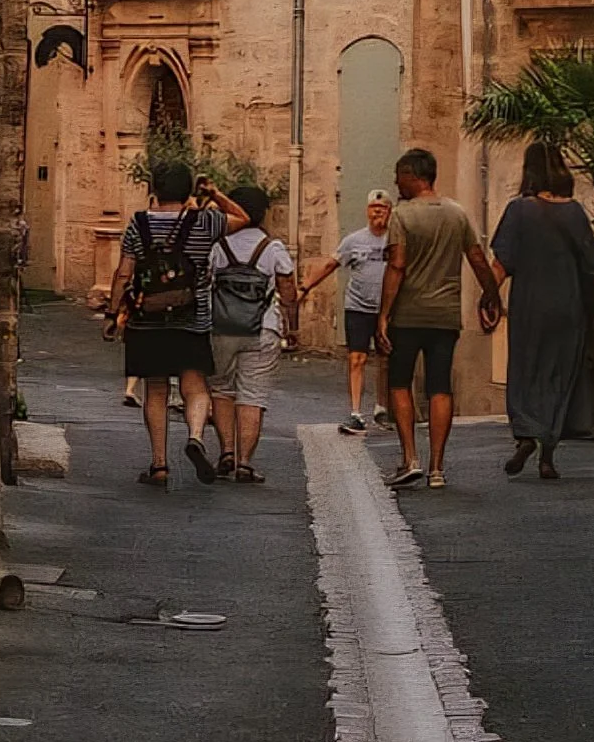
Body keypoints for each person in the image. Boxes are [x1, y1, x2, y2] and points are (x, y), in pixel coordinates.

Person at [102, 163, 248, 487]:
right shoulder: (205, 221)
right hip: (191, 319)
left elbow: (124, 273)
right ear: (188, 190)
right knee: (195, 386)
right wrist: (215, 193)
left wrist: (113, 314)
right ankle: (195, 436)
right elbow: (243, 218)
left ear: (154, 188)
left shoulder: (139, 223)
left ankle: (159, 465)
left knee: (155, 389)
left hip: (147, 320)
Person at [375, 146, 501, 491]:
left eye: (399, 176)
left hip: (408, 314)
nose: (396, 183)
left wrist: (383, 314)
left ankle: (410, 458)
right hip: (445, 315)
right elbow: (477, 258)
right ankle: (437, 468)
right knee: (440, 386)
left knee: (399, 383)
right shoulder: (457, 214)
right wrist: (492, 296)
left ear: (413, 176)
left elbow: (397, 266)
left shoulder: (402, 216)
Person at [491, 140, 594, 481]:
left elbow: (501, 263)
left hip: (530, 307)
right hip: (568, 306)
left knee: (526, 370)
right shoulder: (575, 212)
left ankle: (526, 434)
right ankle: (548, 453)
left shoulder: (518, 210)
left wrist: (488, 298)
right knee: (560, 373)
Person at [207, 186, 299, 482]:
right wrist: (292, 327)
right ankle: (245, 462)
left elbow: (204, 282)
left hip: (221, 326)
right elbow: (288, 291)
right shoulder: (273, 248)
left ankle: (226, 452)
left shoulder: (218, 246)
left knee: (221, 389)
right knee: (253, 395)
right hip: (263, 328)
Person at [299, 189, 394, 433]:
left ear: (390, 212)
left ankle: (382, 408)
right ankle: (355, 412)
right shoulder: (354, 240)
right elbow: (331, 264)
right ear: (367, 211)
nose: (377, 213)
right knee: (356, 358)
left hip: (386, 309)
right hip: (358, 306)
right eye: (373, 208)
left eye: (382, 209)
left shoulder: (395, 241)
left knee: (385, 359)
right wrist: (306, 287)